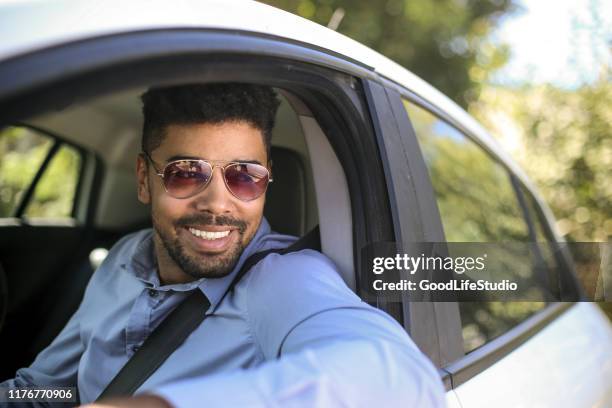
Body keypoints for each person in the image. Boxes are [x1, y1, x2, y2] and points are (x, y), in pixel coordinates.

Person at [1, 83, 445, 408]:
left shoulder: (282, 280)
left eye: (245, 176)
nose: (218, 203)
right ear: (143, 180)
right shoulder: (121, 258)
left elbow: (401, 382)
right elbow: (50, 388)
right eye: (185, 173)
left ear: (267, 181)